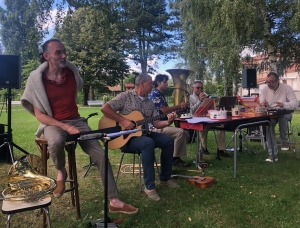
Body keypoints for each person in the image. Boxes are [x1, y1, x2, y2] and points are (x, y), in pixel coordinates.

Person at [21, 39, 138, 214]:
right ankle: (61, 172)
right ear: (46, 56)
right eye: (58, 52)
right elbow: (40, 115)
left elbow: (78, 86)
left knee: (101, 155)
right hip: (52, 122)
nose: (64, 55)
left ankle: (114, 201)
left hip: (76, 120)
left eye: (64, 51)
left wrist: (73, 124)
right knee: (56, 141)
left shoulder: (72, 73)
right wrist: (65, 127)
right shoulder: (36, 80)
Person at [101, 73, 178, 201]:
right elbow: (105, 108)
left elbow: (156, 123)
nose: (152, 85)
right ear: (142, 83)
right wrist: (124, 121)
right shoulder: (125, 96)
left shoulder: (150, 102)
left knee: (168, 141)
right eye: (150, 83)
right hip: (126, 139)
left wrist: (168, 122)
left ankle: (165, 177)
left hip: (144, 134)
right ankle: (150, 187)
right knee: (148, 143)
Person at [148, 74, 190, 167]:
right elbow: (165, 110)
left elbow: (165, 112)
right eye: (165, 82)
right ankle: (175, 159)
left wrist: (177, 112)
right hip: (155, 126)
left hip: (163, 124)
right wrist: (180, 105)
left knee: (186, 134)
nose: (167, 84)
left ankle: (173, 156)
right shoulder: (155, 94)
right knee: (181, 132)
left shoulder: (160, 94)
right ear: (158, 83)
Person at [259, 72, 298, 162]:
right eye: (267, 82)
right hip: (272, 114)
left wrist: (283, 104)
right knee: (268, 125)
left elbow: (295, 104)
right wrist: (264, 105)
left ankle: (283, 140)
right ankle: (272, 154)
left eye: (272, 82)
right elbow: (261, 103)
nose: (270, 84)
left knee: (282, 117)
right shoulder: (264, 90)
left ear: (278, 81)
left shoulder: (286, 88)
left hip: (285, 113)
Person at [189, 80, 229, 157]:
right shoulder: (190, 98)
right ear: (193, 88)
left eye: (201, 88)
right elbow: (192, 111)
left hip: (208, 118)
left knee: (221, 127)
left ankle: (221, 149)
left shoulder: (206, 95)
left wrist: (214, 103)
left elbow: (211, 109)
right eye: (198, 88)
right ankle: (203, 148)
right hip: (197, 120)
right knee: (203, 128)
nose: (200, 89)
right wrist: (200, 101)